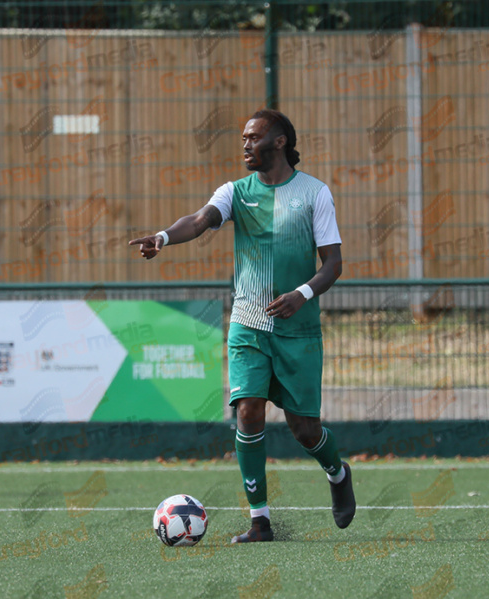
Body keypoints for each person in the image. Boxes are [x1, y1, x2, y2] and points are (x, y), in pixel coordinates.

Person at [129, 109, 355, 542]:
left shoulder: (314, 194)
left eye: (254, 137)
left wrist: (300, 295)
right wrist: (162, 237)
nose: (245, 145)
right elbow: (199, 221)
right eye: (243, 138)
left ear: (280, 142)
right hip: (249, 325)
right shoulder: (235, 192)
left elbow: (333, 265)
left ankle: (337, 472)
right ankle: (260, 521)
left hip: (299, 331)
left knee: (304, 429)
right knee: (248, 412)